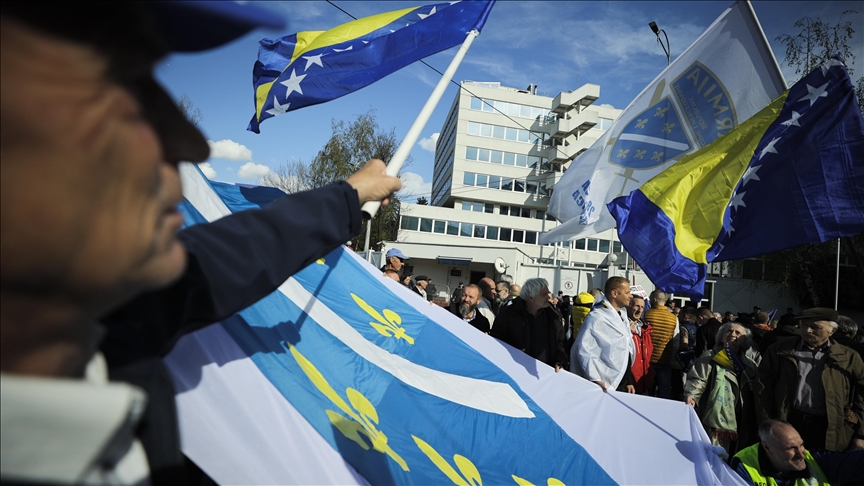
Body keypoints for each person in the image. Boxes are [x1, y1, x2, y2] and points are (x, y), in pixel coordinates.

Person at [0, 3, 402, 484]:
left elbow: (219, 262)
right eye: (116, 84)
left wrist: (347, 198)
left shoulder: (112, 335)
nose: (190, 142)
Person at [755, 308, 864, 452]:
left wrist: (860, 435)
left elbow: (861, 397)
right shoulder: (779, 351)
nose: (807, 331)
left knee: (827, 471)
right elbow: (763, 390)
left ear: (832, 331)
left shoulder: (848, 357)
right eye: (804, 325)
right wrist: (767, 425)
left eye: (815, 327)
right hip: (790, 423)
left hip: (832, 428)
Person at [684, 323, 760, 455]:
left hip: (741, 414)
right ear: (722, 337)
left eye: (738, 333)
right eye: (729, 331)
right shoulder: (710, 356)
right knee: (715, 451)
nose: (733, 334)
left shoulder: (750, 364)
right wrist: (692, 395)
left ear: (744, 341)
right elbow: (698, 379)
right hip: (716, 414)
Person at [731, 420, 864, 486]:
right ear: (767, 448)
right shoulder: (744, 466)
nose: (801, 454)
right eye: (791, 448)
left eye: (801, 445)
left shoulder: (818, 461)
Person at [571, 277, 635, 393]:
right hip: (603, 383)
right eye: (627, 292)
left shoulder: (622, 316)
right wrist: (594, 378)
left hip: (621, 381)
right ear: (614, 293)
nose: (631, 296)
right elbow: (583, 350)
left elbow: (625, 350)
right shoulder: (596, 318)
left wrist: (628, 379)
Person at [491, 278, 566, 371]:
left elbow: (560, 342)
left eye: (548, 293)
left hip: (546, 373)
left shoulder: (553, 315)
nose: (548, 297)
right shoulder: (509, 313)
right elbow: (497, 340)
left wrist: (559, 360)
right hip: (517, 370)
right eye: (544, 294)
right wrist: (513, 352)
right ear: (531, 297)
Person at [643, 290, 679, 399]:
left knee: (645, 389)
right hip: (664, 359)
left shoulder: (646, 314)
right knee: (664, 390)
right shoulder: (674, 318)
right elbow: (676, 342)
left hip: (647, 359)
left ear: (654, 300)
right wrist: (670, 357)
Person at [628, 295, 654, 394]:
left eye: (642, 307)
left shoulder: (645, 329)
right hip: (629, 383)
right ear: (629, 306)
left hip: (644, 381)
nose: (640, 310)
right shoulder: (622, 326)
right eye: (637, 306)